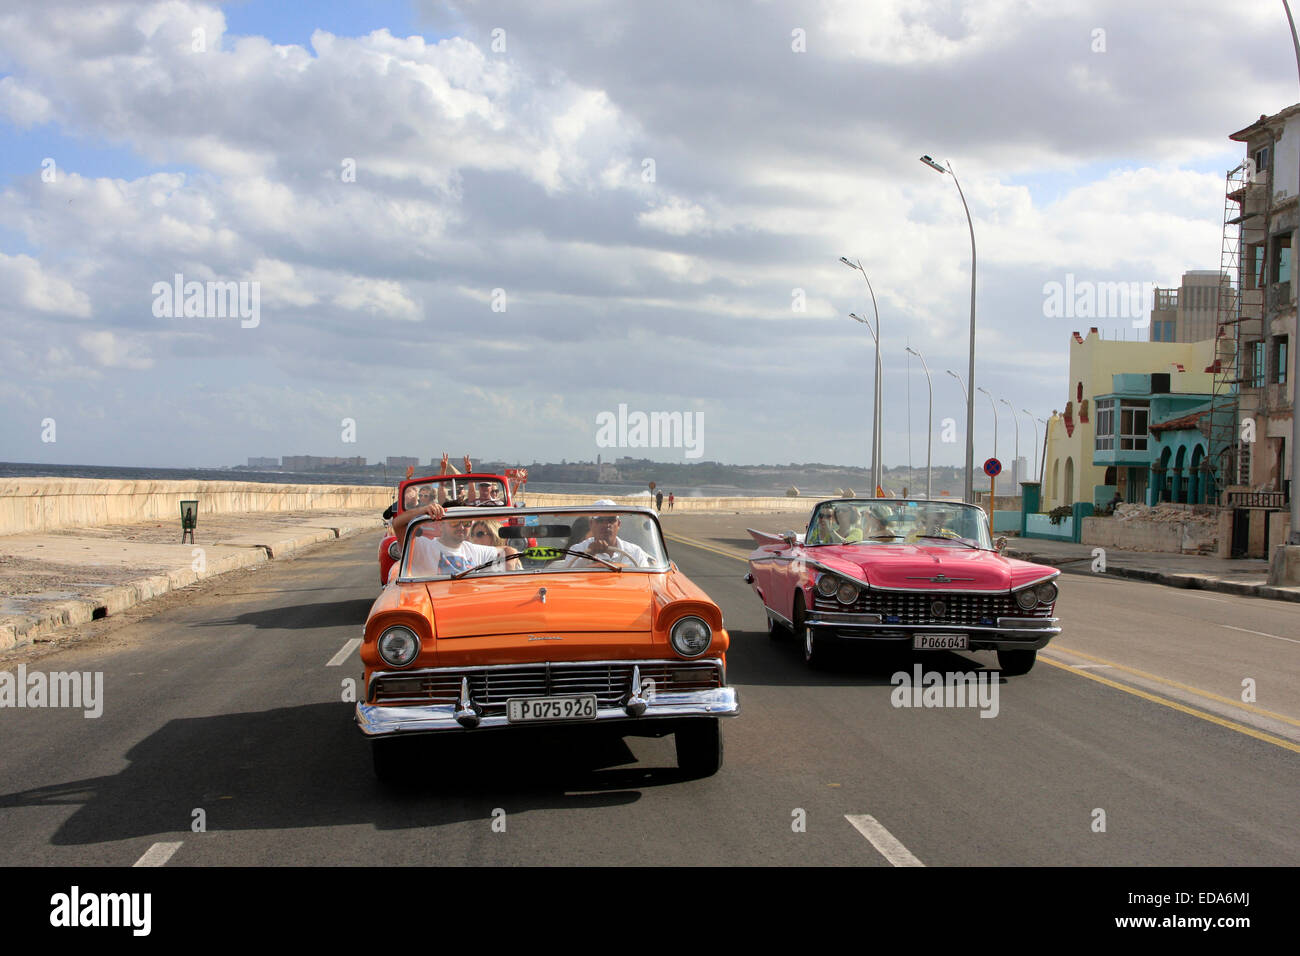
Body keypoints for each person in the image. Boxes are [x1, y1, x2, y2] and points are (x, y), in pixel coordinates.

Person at [407, 513, 520, 576]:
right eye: (454, 522)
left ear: (494, 534)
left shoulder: (477, 551)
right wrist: (424, 510)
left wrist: (509, 576)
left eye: (466, 523)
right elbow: (399, 526)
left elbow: (508, 550)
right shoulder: (424, 546)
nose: (474, 538)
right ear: (441, 525)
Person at [560, 501, 654, 567]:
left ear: (618, 524)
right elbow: (569, 577)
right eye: (600, 520)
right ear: (591, 524)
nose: (606, 525)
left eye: (611, 520)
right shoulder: (577, 550)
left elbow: (644, 582)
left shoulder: (635, 552)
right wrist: (590, 554)